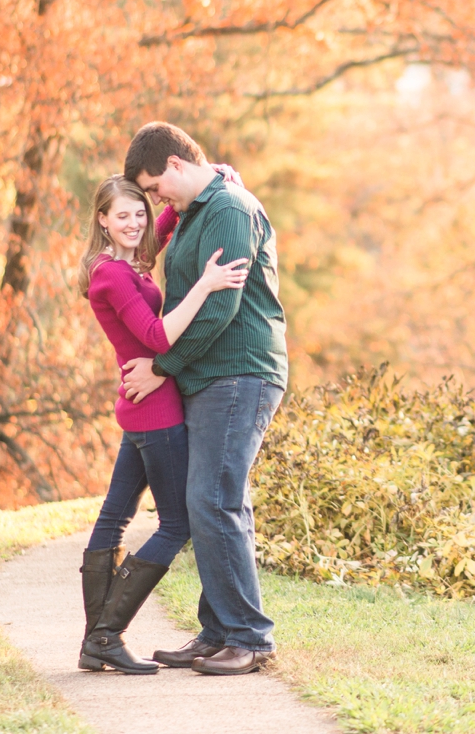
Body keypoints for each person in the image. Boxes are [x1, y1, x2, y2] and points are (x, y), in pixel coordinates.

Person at [120, 122, 287, 676]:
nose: (154, 199)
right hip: (210, 377)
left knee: (213, 500)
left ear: (173, 164)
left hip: (240, 373)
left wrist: (162, 366)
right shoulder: (198, 209)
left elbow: (221, 309)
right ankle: (218, 632)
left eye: (153, 187)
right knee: (215, 502)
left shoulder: (229, 209)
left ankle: (249, 638)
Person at [77, 174, 249, 675]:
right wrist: (207, 284)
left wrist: (209, 180)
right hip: (156, 412)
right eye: (121, 215)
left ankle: (97, 641)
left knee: (114, 518)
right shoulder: (112, 275)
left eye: (139, 212)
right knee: (177, 523)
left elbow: (157, 229)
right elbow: (156, 335)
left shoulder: (124, 261)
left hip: (141, 406)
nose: (133, 223)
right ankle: (106, 633)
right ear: (102, 221)